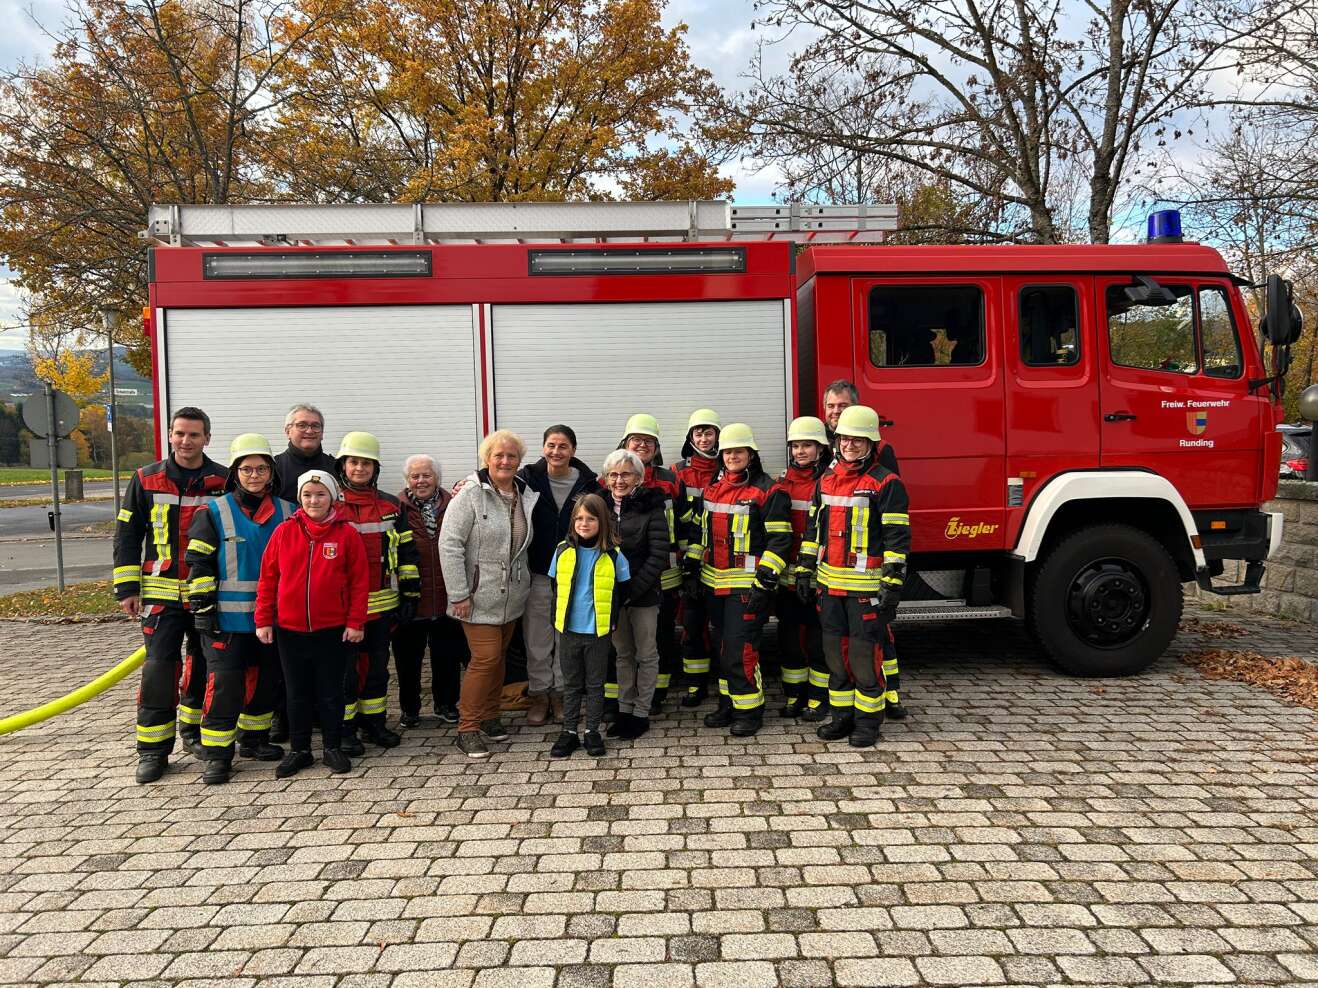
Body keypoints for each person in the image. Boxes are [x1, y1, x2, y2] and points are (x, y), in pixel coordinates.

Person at [114, 406, 229, 784]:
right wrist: (127, 588)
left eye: (194, 435)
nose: (185, 441)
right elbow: (128, 536)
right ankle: (153, 751)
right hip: (161, 594)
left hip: (207, 593)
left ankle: (194, 735)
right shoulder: (146, 479)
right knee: (160, 670)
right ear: (169, 435)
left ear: (207, 439)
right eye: (179, 433)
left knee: (203, 667)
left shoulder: (223, 480)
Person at [796, 405, 911, 748]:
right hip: (830, 587)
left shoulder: (886, 483)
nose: (850, 445)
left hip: (866, 591)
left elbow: (896, 539)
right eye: (845, 438)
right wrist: (804, 571)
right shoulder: (825, 481)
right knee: (834, 654)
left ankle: (868, 722)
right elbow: (813, 533)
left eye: (858, 440)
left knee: (863, 657)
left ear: (871, 443)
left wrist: (892, 584)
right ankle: (842, 717)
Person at [184, 434, 296, 784]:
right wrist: (202, 611)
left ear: (271, 472)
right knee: (225, 686)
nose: (255, 475)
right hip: (226, 621)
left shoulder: (288, 511)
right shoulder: (213, 512)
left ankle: (254, 739)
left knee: (265, 682)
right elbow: (198, 564)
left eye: (262, 468)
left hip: (273, 620)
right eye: (247, 468)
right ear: (235, 472)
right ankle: (217, 755)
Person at [255, 470, 368, 777]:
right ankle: (300, 751)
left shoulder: (347, 534)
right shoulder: (284, 532)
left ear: (332, 497)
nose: (313, 500)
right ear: (299, 499)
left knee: (331, 692)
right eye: (307, 495)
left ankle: (332, 747)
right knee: (296, 692)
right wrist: (264, 619)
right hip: (289, 630)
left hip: (332, 629)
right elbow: (268, 579)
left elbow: (360, 583)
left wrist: (355, 622)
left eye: (320, 494)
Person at [682, 423, 791, 737]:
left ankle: (750, 710)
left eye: (738, 451)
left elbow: (780, 541)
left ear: (751, 454)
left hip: (747, 587)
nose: (732, 456)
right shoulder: (712, 490)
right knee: (721, 646)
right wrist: (691, 569)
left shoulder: (769, 491)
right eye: (728, 451)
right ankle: (729, 702)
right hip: (714, 585)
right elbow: (698, 534)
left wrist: (765, 582)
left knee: (740, 648)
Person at [439, 430, 537, 759]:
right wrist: (459, 594)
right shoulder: (469, 495)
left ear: (519, 461)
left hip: (511, 596)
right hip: (476, 596)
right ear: (487, 459)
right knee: (485, 659)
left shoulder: (524, 494)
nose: (506, 461)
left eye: (512, 456)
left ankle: (491, 716)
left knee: (499, 659)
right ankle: (468, 728)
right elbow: (449, 545)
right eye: (499, 455)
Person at [335, 432, 421, 754]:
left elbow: (408, 554)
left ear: (376, 468)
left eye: (366, 463)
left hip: (382, 606)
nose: (359, 468)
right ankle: (345, 730)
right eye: (353, 462)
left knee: (376, 670)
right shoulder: (330, 504)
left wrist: (410, 595)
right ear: (343, 465)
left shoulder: (391, 506)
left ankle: (374, 723)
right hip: (341, 610)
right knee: (344, 674)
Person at [518, 425, 599, 726]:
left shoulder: (590, 484)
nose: (556, 452)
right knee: (537, 638)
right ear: (543, 448)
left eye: (563, 446)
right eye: (551, 445)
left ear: (573, 451)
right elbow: (492, 475)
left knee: (565, 636)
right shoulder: (527, 479)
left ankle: (562, 694)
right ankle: (539, 694)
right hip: (538, 571)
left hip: (575, 574)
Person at [606, 413, 685, 716]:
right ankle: (618, 701)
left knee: (660, 636)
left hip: (664, 573)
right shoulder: (609, 478)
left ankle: (655, 695)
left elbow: (684, 521)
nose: (641, 445)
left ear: (656, 446)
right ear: (625, 443)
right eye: (635, 440)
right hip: (620, 580)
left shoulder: (670, 479)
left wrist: (686, 561)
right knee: (620, 645)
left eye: (648, 441)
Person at [547, 493, 630, 759]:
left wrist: (610, 616)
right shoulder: (562, 551)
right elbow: (555, 586)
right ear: (573, 522)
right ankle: (569, 731)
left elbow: (623, 590)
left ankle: (592, 731)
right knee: (571, 684)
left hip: (598, 631)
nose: (584, 523)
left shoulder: (614, 556)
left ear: (603, 521)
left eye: (591, 519)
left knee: (595, 684)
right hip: (569, 630)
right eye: (579, 518)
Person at [393, 454, 469, 727]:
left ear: (437, 477)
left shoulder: (455, 504)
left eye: (427, 475)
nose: (421, 480)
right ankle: (409, 709)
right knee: (407, 660)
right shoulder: (396, 509)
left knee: (446, 656)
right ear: (407, 480)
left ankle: (446, 704)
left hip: (447, 596)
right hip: (411, 599)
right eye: (415, 476)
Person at [600, 450, 668, 741]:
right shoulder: (597, 507)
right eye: (613, 474)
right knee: (622, 654)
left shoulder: (652, 508)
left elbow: (659, 554)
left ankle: (641, 713)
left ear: (639, 478)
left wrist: (632, 589)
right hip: (611, 597)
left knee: (647, 654)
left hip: (643, 596)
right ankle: (624, 710)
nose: (619, 480)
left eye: (626, 474)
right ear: (606, 479)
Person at [772, 417, 831, 721]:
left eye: (807, 445)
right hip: (787, 577)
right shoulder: (781, 484)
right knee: (790, 639)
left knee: (818, 642)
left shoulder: (830, 482)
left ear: (820, 448)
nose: (800, 451)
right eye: (796, 445)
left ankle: (819, 698)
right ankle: (795, 696)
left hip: (820, 575)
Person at [672, 409, 721, 707]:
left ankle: (724, 680)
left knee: (725, 628)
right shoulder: (679, 471)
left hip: (721, 561)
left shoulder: (729, 463)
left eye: (709, 432)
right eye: (698, 433)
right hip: (690, 561)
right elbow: (677, 518)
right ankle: (695, 684)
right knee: (692, 625)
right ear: (690, 438)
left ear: (718, 434)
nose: (703, 438)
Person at [823, 379, 899, 476]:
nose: (836, 411)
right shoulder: (813, 444)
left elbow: (891, 486)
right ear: (824, 408)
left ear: (856, 406)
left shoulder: (879, 448)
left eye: (843, 405)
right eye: (830, 406)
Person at [274, 403, 336, 503]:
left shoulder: (336, 467)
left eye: (315, 426)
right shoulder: (274, 469)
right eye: (302, 425)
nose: (309, 431)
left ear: (322, 433)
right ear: (288, 432)